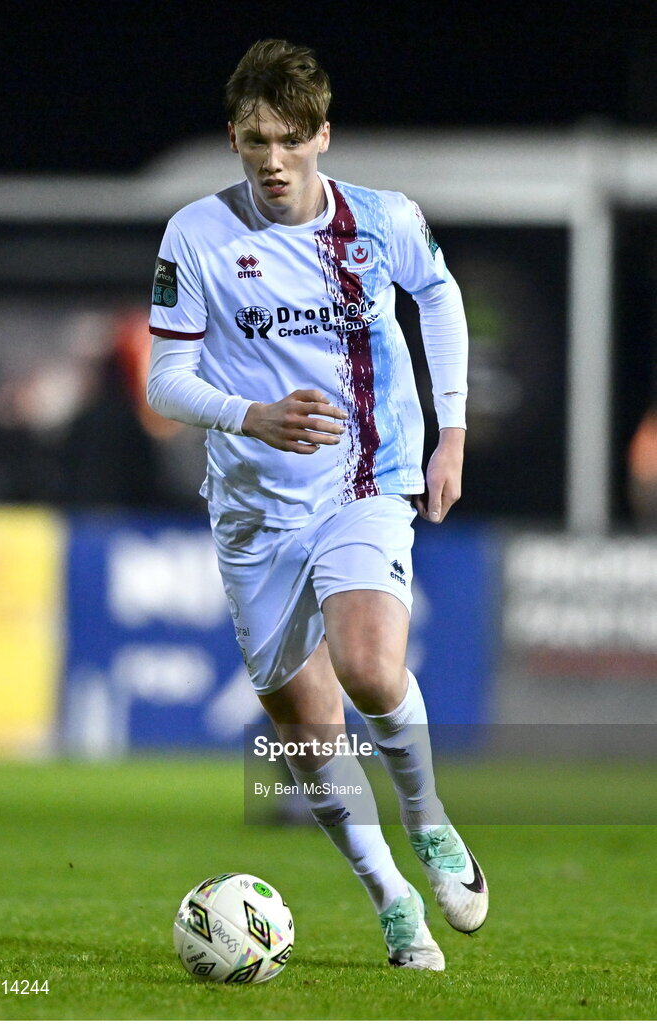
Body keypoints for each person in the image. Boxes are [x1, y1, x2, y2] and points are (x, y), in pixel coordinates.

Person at [147, 39, 487, 971]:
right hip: (254, 515)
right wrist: (251, 416)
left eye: (290, 138)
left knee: (371, 669)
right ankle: (393, 904)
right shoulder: (196, 237)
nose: (272, 158)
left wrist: (449, 432)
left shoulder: (381, 221)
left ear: (322, 136)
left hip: (363, 480)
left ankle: (430, 823)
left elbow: (439, 296)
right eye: (256, 138)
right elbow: (165, 379)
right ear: (232, 137)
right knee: (307, 734)